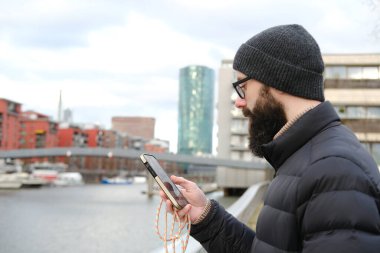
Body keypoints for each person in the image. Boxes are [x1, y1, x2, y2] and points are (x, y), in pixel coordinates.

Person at [160, 24, 380, 252]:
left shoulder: (334, 170)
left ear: (277, 80)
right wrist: (205, 217)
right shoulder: (306, 158)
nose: (240, 102)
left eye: (243, 86)